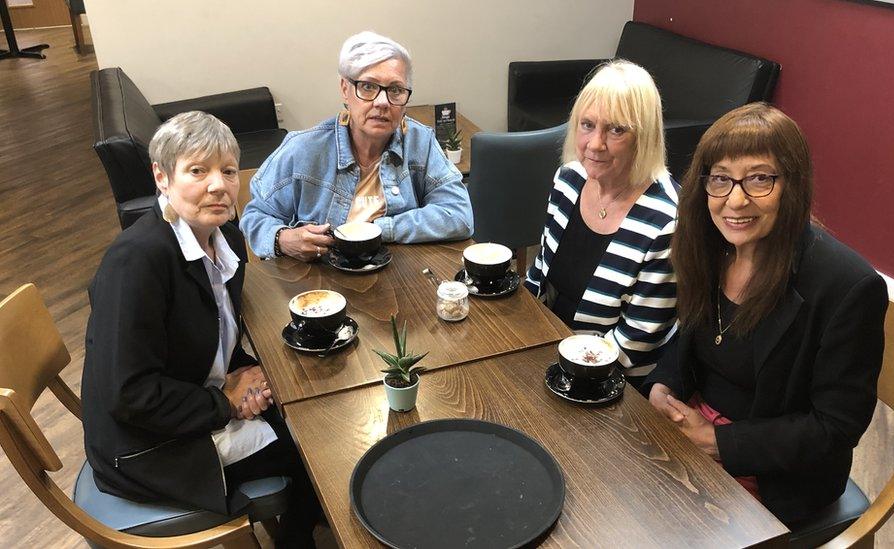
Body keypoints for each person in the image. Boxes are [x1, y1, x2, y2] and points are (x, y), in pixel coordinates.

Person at [641, 103, 888, 526]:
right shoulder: (711, 247)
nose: (736, 200)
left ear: (792, 185)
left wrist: (720, 441)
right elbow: (693, 339)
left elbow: (836, 427)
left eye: (759, 179)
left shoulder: (848, 286)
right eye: (721, 179)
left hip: (776, 472)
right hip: (696, 428)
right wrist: (665, 383)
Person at [82, 112, 321, 547]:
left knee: (308, 416)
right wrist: (224, 403)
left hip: (186, 399)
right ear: (161, 176)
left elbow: (212, 329)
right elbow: (128, 394)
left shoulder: (222, 236)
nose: (219, 185)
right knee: (314, 452)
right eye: (197, 170)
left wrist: (244, 372)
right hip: (146, 446)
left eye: (228, 171)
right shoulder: (136, 262)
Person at [241, 31, 473, 261]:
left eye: (395, 90)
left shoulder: (420, 142)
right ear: (345, 89)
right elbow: (255, 215)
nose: (382, 102)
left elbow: (459, 215)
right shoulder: (303, 149)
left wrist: (380, 229)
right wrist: (282, 239)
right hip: (321, 284)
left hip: (402, 280)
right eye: (368, 87)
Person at [524, 60, 679, 384]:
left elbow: (635, 343)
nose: (595, 144)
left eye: (616, 129)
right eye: (587, 125)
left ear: (644, 137)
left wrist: (557, 369)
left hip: (610, 382)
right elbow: (540, 271)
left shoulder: (665, 223)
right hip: (547, 346)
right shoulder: (569, 178)